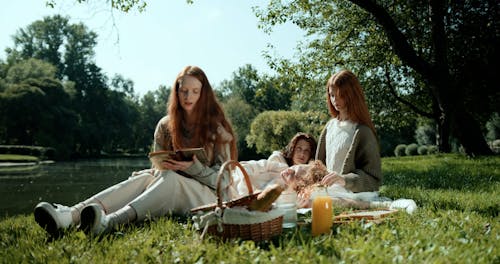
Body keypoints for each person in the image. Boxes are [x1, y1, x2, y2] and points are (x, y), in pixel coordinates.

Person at [34, 66, 238, 236]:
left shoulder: (218, 129)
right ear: (176, 92)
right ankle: (69, 216)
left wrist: (193, 167)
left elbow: (225, 183)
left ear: (204, 94)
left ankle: (110, 222)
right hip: (170, 184)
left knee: (171, 180)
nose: (188, 96)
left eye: (195, 91)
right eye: (183, 90)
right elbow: (158, 169)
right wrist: (153, 171)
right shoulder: (166, 126)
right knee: (146, 179)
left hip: (212, 198)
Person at [316, 69, 382, 192]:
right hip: (328, 191)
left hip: (353, 194)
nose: (335, 100)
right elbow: (318, 166)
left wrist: (344, 180)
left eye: (341, 95)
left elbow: (373, 180)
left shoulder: (362, 131)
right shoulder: (329, 127)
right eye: (332, 95)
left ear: (352, 95)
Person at [234, 132, 317, 195]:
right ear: (292, 149)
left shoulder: (307, 172)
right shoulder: (277, 159)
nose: (302, 154)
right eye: (299, 149)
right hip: (251, 191)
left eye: (306, 151)